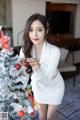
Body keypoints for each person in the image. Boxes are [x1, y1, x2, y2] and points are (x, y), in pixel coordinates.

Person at [20, 13, 65, 120]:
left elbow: (46, 81)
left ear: (46, 31)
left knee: (50, 117)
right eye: (31, 30)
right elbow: (23, 75)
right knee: (42, 116)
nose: (35, 34)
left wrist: (36, 68)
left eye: (39, 30)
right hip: (38, 89)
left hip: (55, 87)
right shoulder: (24, 50)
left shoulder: (54, 51)